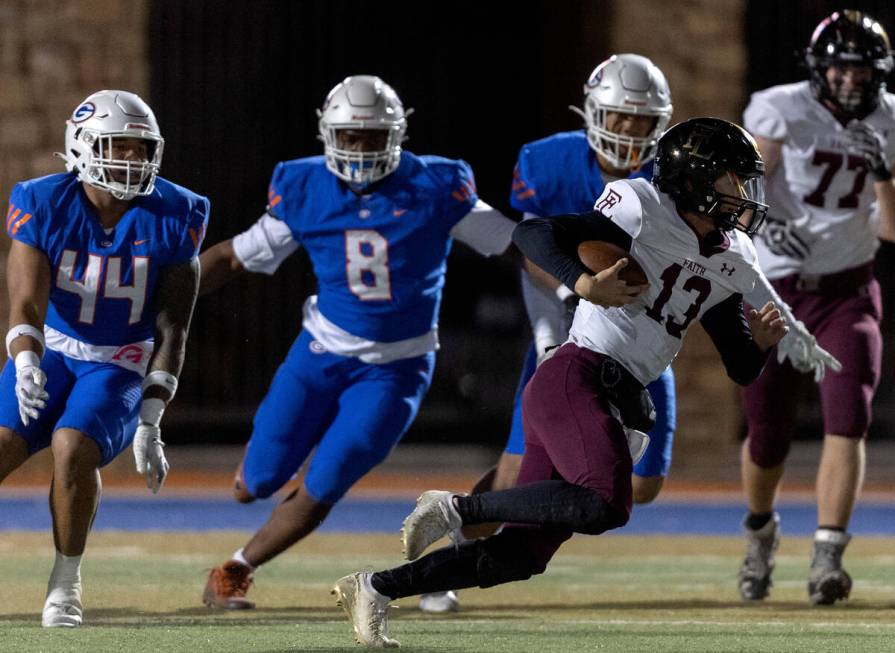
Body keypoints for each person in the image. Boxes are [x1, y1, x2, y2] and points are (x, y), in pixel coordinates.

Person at [333, 117, 788, 648]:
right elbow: (533, 233)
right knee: (605, 502)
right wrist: (585, 281)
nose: (743, 193)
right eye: (731, 179)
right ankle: (457, 507)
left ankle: (374, 587)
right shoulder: (641, 205)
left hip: (615, 395)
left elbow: (739, 366)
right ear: (693, 179)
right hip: (577, 375)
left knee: (520, 557)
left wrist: (758, 344)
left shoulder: (734, 256)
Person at [199, 75, 517, 610]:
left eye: (373, 136)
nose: (362, 148)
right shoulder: (305, 189)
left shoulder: (436, 186)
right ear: (328, 134)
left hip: (396, 368)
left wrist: (568, 278)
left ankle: (235, 568)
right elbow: (234, 257)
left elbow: (511, 240)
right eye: (350, 136)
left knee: (327, 480)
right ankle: (262, 481)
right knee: (252, 484)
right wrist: (161, 297)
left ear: (397, 135)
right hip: (318, 355)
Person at [419, 52, 676, 615]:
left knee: (648, 482)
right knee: (516, 467)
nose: (631, 130)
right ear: (591, 112)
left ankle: (512, 515)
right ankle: (454, 552)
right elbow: (529, 250)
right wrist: (572, 295)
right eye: (620, 116)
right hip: (569, 323)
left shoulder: (670, 176)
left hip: (640, 336)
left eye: (643, 120)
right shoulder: (548, 162)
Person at [0, 90, 208, 627]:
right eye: (121, 147)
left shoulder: (178, 212)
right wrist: (25, 361)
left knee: (71, 447)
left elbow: (173, 326)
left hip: (120, 361)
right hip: (54, 352)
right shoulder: (42, 200)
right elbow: (24, 301)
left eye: (142, 150)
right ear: (83, 146)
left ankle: (64, 585)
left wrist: (152, 419)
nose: (133, 161)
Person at [737, 9, 895, 605]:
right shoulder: (781, 107)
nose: (850, 80)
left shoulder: (891, 119)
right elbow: (741, 191)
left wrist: (880, 167)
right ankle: (760, 532)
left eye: (860, 69)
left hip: (846, 290)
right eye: (840, 67)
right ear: (818, 69)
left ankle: (828, 554)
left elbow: (894, 227)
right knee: (768, 432)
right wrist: (767, 226)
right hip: (772, 292)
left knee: (848, 414)